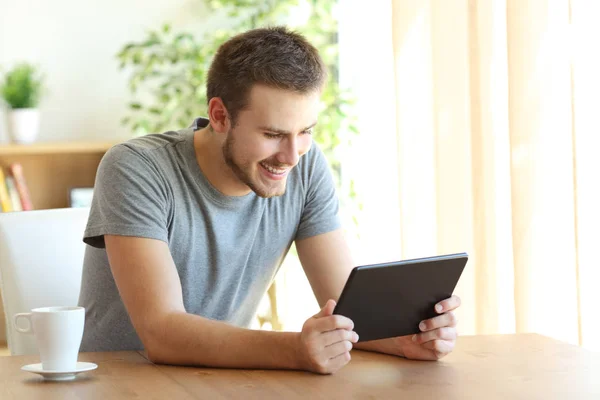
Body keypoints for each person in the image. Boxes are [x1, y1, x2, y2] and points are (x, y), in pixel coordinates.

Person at [78, 26, 460, 375]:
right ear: (219, 115)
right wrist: (295, 349)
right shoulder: (136, 168)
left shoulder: (305, 169)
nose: (292, 155)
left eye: (305, 131)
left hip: (222, 381)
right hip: (120, 383)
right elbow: (161, 332)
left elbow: (347, 311)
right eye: (273, 134)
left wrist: (403, 338)